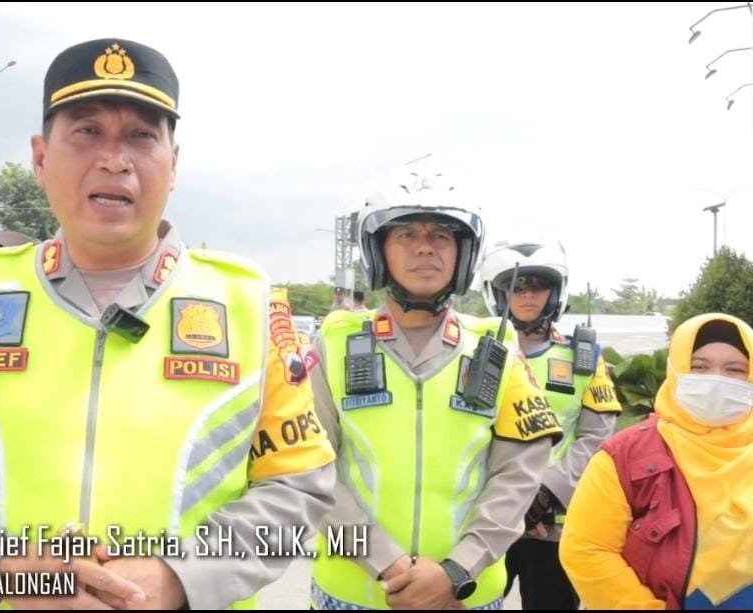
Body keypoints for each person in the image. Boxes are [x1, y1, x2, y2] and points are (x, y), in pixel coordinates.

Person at [0, 38, 336, 609]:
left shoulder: (249, 304)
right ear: (41, 158)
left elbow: (296, 483)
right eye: (87, 132)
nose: (115, 159)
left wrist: (181, 578)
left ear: (173, 163)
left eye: (141, 136)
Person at [308, 168, 563, 610]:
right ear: (379, 251)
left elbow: (519, 474)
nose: (425, 246)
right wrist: (388, 565)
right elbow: (310, 469)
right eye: (406, 233)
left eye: (442, 236)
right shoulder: (333, 342)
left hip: (465, 595)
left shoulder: (496, 346)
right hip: (351, 595)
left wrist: (456, 572)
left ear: (463, 253)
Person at [560, 313, 753, 609]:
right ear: (676, 371)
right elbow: (586, 548)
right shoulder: (625, 454)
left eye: (734, 369)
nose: (716, 380)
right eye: (699, 367)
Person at [477, 238, 621, 609]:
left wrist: (542, 495)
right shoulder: (469, 352)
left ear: (555, 292)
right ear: (496, 292)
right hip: (482, 519)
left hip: (551, 524)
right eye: (515, 286)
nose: (527, 296)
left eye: (538, 286)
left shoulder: (583, 358)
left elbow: (596, 437)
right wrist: (509, 503)